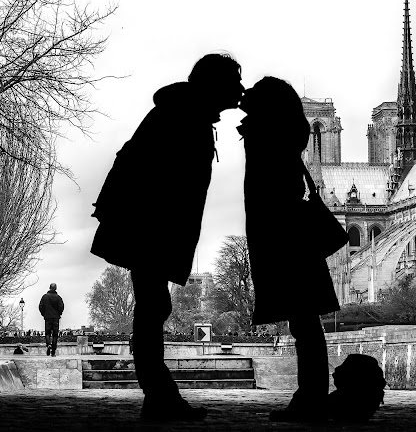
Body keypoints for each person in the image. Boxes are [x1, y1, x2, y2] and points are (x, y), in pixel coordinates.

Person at [91, 53, 244, 421]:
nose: (239, 89)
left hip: (150, 227)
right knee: (153, 307)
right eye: (233, 83)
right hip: (151, 228)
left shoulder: (184, 112)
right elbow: (162, 181)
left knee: (153, 306)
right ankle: (159, 394)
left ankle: (158, 394)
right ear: (214, 86)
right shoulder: (185, 116)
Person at [238, 76, 343, 422]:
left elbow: (268, 194)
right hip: (292, 238)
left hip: (285, 240)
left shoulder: (270, 139)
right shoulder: (282, 137)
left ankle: (310, 397)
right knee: (305, 322)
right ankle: (310, 395)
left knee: (304, 322)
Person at [38, 283, 65, 356]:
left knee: (47, 333)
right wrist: (59, 314)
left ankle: (48, 344)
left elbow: (40, 306)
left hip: (47, 317)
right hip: (56, 318)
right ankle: (53, 352)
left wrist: (44, 314)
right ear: (55, 288)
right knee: (55, 335)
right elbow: (61, 307)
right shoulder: (58, 297)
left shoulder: (45, 297)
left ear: (49, 288)